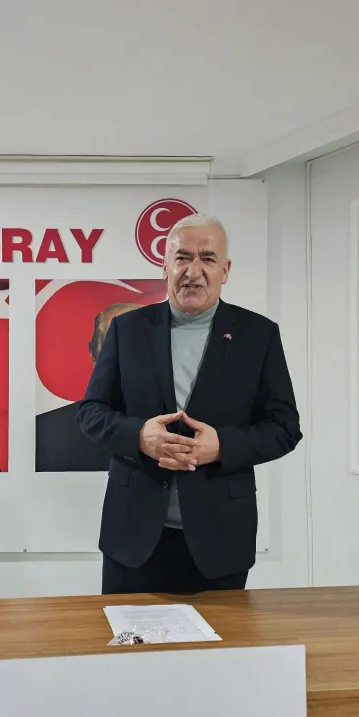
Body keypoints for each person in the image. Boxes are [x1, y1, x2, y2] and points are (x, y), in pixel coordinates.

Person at [77, 214, 302, 594]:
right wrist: (140, 436)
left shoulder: (258, 335)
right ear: (165, 266)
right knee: (127, 633)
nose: (193, 271)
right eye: (182, 258)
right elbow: (91, 411)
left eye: (207, 258)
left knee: (218, 636)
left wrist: (222, 446)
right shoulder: (127, 330)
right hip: (132, 537)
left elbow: (284, 428)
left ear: (225, 270)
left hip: (221, 540)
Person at [35, 302, 142, 472]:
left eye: (141, 346)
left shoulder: (179, 427)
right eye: (117, 345)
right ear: (93, 354)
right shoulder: (46, 430)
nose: (130, 357)